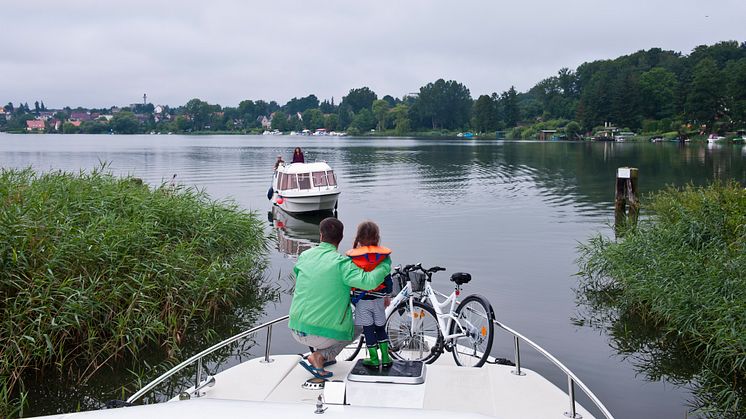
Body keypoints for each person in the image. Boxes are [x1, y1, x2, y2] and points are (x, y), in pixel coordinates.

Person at [289, 217, 391, 379]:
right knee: (361, 321)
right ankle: (321, 356)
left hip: (295, 327)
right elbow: (370, 282)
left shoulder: (305, 256)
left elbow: (298, 274)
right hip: (320, 334)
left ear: (321, 235)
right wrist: (385, 264)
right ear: (341, 238)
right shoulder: (342, 264)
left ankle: (322, 354)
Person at [347, 221, 393, 368]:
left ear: (358, 238)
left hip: (362, 301)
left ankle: (373, 359)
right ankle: (385, 357)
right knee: (380, 328)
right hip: (379, 300)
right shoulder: (383, 257)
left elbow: (350, 278)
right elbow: (387, 279)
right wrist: (387, 295)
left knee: (368, 329)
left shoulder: (353, 258)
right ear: (377, 237)